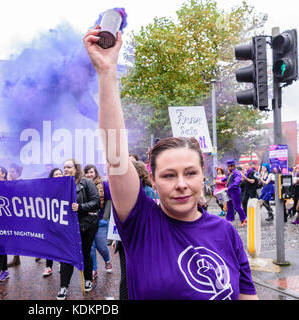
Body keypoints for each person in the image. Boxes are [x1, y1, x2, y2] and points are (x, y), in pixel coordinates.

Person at [83, 27, 258, 300]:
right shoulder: (141, 223)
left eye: (190, 173)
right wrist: (107, 72)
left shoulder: (225, 232)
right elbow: (116, 157)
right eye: (168, 175)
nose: (181, 184)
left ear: (203, 175)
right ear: (152, 180)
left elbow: (247, 295)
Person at [57, 159, 100, 300]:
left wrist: (80, 207)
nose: (66, 169)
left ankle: (88, 279)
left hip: (86, 226)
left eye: (69, 166)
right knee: (66, 256)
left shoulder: (86, 182)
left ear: (76, 168)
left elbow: (96, 202)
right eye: (64, 167)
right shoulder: (61, 184)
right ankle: (63, 286)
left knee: (85, 254)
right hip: (67, 228)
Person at [84, 164, 112, 281]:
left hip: (101, 220)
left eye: (91, 172)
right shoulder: (83, 186)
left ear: (95, 172)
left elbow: (109, 201)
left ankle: (107, 260)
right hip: (88, 221)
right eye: (87, 172)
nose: (89, 174)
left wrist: (105, 218)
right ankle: (93, 269)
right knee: (90, 247)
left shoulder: (104, 185)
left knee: (101, 246)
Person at [42, 168, 63, 277]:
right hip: (50, 219)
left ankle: (61, 263)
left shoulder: (66, 187)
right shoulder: (47, 188)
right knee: (49, 243)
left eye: (60, 174)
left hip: (62, 219)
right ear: (52, 176)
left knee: (60, 242)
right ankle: (48, 267)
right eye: (56, 174)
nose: (59, 175)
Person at [7, 163, 23, 268]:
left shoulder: (21, 183)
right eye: (10, 171)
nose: (11, 173)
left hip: (20, 213)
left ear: (18, 173)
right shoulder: (7, 183)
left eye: (13, 171)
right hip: (10, 213)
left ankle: (40, 253)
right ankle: (16, 258)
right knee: (14, 236)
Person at [224, 160, 247, 227]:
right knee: (229, 206)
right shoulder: (231, 172)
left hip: (235, 192)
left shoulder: (237, 172)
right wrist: (221, 180)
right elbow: (228, 178)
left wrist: (229, 188)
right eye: (228, 166)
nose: (228, 168)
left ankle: (244, 219)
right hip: (230, 192)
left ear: (233, 166)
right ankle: (229, 220)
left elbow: (236, 182)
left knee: (237, 207)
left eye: (229, 166)